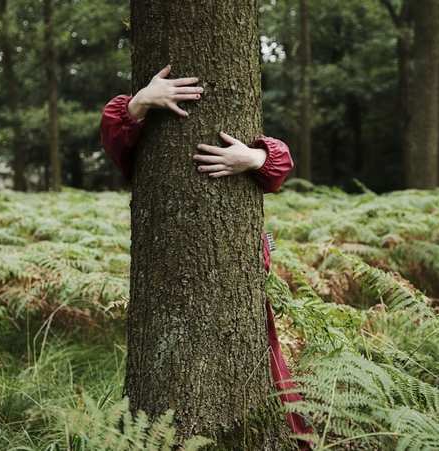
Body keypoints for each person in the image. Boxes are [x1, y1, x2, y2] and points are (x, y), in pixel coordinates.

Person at [100, 64, 312, 446]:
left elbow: (280, 165)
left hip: (243, 284)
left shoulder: (251, 142)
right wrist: (140, 103)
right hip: (173, 280)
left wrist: (255, 159)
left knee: (271, 370)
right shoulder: (142, 135)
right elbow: (116, 142)